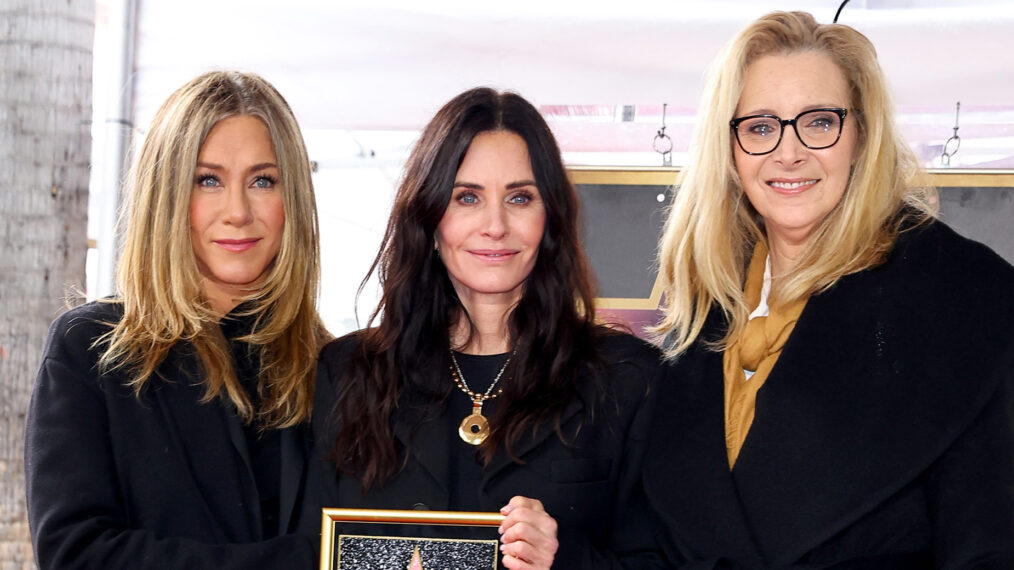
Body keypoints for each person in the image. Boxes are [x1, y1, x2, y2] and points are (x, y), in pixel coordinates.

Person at [644, 10, 1014, 568]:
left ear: (862, 134)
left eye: (818, 122)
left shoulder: (972, 302)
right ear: (731, 148)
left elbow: (988, 545)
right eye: (761, 127)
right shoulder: (701, 304)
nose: (787, 153)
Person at [299, 87, 663, 569]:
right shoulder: (347, 372)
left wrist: (564, 559)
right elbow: (312, 553)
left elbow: (665, 560)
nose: (495, 225)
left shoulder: (625, 376)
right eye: (467, 197)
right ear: (430, 220)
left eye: (519, 197)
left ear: (550, 217)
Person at [25, 71, 330, 568]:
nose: (238, 211)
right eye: (207, 180)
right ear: (165, 196)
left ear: (291, 197)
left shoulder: (336, 368)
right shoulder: (93, 348)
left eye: (263, 180)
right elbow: (75, 555)